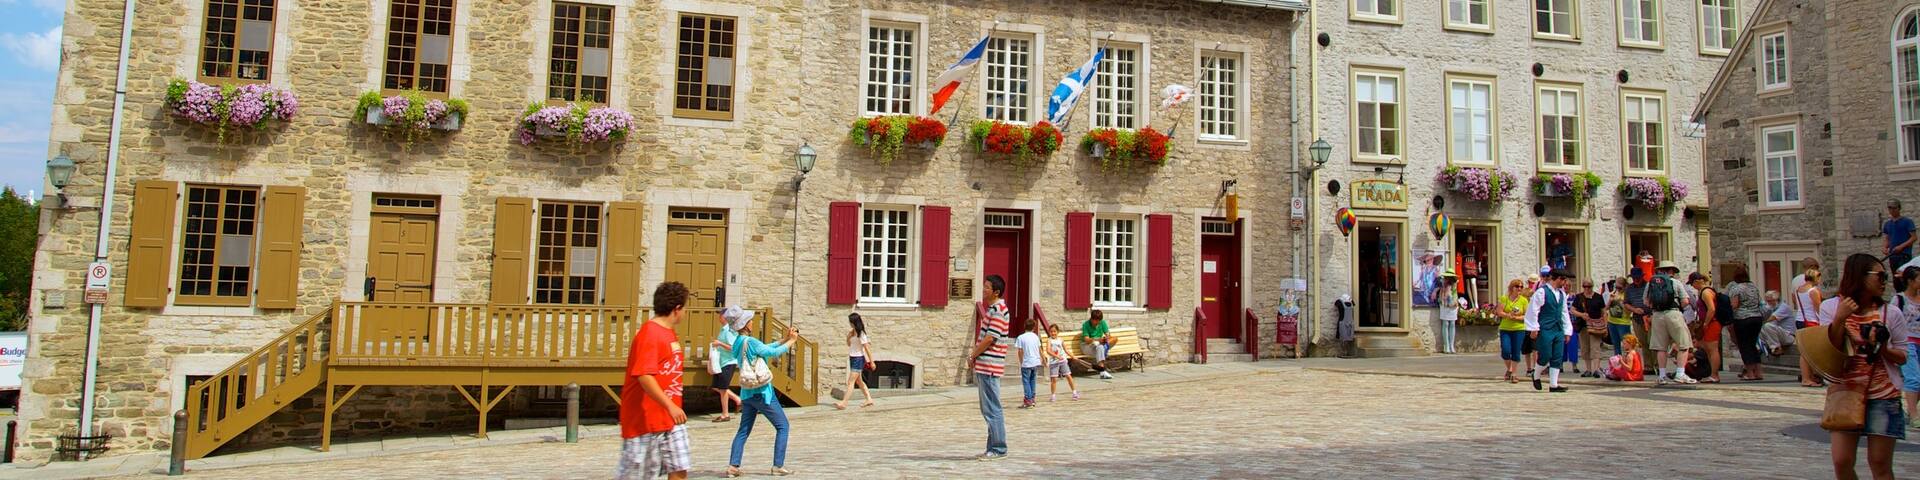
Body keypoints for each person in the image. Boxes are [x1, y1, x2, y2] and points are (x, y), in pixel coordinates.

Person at [1824, 254, 1909, 480]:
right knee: (1842, 461)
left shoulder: (1891, 312)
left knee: (1880, 464)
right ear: (1859, 276)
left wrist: (1882, 349)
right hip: (1845, 391)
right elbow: (1828, 349)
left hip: (1883, 393)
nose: (1884, 281)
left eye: (1886, 276)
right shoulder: (1831, 307)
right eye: (1879, 276)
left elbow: (1903, 356)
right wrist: (1840, 319)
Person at [617, 282, 692, 480]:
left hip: (670, 419)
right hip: (645, 419)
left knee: (679, 468)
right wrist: (670, 406)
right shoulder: (650, 334)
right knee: (639, 476)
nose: (685, 312)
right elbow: (644, 375)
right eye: (684, 307)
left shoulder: (669, 333)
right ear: (676, 309)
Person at [724, 307, 800, 477]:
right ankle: (778, 466)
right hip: (762, 392)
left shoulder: (737, 342)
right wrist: (791, 342)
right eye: (749, 320)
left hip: (747, 393)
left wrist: (784, 339)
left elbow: (764, 347)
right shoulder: (750, 341)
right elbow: (772, 352)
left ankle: (733, 466)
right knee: (783, 426)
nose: (752, 321)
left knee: (743, 430)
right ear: (745, 324)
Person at [966, 275, 1011, 460]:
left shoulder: (998, 310)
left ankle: (999, 448)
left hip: (990, 365)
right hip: (986, 365)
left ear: (996, 292)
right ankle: (991, 447)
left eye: (987, 287)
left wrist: (973, 354)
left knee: (992, 408)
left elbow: (990, 338)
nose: (983, 290)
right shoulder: (992, 309)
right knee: (989, 408)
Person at [1647, 261, 1698, 385]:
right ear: (1672, 271)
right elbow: (1685, 301)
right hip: (1673, 313)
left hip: (1657, 315)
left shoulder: (1651, 283)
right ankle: (1680, 373)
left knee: (1660, 347)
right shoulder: (1676, 283)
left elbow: (1647, 302)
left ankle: (1662, 375)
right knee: (1684, 344)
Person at [1526, 269, 1575, 392]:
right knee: (1546, 354)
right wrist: (1533, 328)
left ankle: (1554, 384)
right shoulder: (1542, 292)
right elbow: (1533, 310)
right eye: (1563, 279)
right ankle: (1536, 374)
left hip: (1558, 328)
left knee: (1557, 356)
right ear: (1556, 278)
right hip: (1545, 328)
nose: (1564, 283)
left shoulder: (1562, 294)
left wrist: (1567, 331)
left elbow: (1564, 313)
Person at [1724, 266, 1768, 381]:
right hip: (1757, 318)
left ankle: (1750, 373)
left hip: (1743, 319)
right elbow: (1759, 302)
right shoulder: (1753, 287)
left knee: (1744, 345)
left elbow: (1734, 305)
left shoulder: (1736, 288)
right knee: (1753, 344)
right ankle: (1759, 372)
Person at [1893, 258, 1920, 430]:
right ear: (1910, 280)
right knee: (1914, 378)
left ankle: (1908, 410)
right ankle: (1914, 414)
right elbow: (1891, 319)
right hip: (1907, 341)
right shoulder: (1899, 299)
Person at [1689, 272, 1727, 383]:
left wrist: (1705, 323)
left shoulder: (1706, 292)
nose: (1692, 286)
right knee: (1708, 349)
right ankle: (1712, 373)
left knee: (1712, 349)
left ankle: (1715, 375)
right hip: (1709, 323)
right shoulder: (1705, 291)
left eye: (1692, 284)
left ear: (1697, 282)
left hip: (1712, 323)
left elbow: (1712, 309)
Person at [832, 313, 875, 411]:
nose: (849, 323)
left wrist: (871, 361)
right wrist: (848, 337)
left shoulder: (861, 334)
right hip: (852, 357)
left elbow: (867, 348)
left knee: (850, 381)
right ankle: (869, 399)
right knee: (859, 381)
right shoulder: (852, 332)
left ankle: (844, 402)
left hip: (858, 359)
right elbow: (849, 344)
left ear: (854, 322)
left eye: (850, 322)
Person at [708, 309, 743, 423]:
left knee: (723, 389)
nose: (719, 317)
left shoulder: (728, 330)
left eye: (720, 315)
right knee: (716, 386)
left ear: (725, 317)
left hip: (728, 362)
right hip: (721, 362)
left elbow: (733, 348)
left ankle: (725, 414)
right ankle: (737, 399)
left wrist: (719, 343)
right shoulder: (723, 330)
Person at [1798, 268, 1829, 387]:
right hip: (1811, 321)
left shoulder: (1798, 290)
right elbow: (1818, 308)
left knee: (1804, 350)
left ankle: (1809, 376)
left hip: (1800, 319)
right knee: (1808, 352)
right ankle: (1806, 378)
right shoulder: (1813, 291)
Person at [1496, 279, 1531, 383]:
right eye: (1517, 286)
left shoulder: (1523, 300)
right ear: (1512, 287)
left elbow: (1527, 315)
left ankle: (1514, 373)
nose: (1519, 289)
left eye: (1521, 287)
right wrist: (1508, 315)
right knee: (1506, 351)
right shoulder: (1504, 298)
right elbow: (1499, 312)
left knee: (1516, 351)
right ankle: (1509, 369)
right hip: (1505, 328)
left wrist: (1517, 318)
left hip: (1519, 328)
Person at [1572, 279, 1609, 377]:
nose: (1587, 289)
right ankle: (1588, 369)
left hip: (1596, 326)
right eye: (1585, 286)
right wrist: (1581, 315)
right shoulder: (1579, 297)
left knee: (1595, 347)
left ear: (1592, 286)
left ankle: (1595, 369)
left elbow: (1604, 311)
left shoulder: (1598, 297)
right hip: (1583, 326)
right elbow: (1572, 310)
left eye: (1589, 286)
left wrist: (1605, 325)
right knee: (1585, 348)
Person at [1043, 323, 1080, 402]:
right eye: (1051, 331)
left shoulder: (1061, 340)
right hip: (1054, 362)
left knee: (1068, 376)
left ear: (1058, 332)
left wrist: (1073, 357)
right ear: (1049, 332)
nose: (1053, 333)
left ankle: (1074, 392)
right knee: (1054, 379)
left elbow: (1066, 350)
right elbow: (1048, 351)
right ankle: (1053, 395)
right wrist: (1056, 356)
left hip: (1063, 361)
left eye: (1054, 331)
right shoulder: (1049, 340)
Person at [1015, 321, 1043, 409]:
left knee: (1026, 382)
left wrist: (1021, 361)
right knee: (1033, 381)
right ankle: (1032, 398)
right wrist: (1043, 359)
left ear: (1024, 326)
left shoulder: (1021, 337)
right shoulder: (1036, 337)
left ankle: (1028, 399)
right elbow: (1039, 349)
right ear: (1034, 327)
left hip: (1026, 362)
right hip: (1035, 361)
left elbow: (1020, 351)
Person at [1081, 310, 1116, 379]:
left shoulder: (1102, 322)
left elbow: (1108, 334)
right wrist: (1097, 339)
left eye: (1099, 321)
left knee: (1114, 339)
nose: (1097, 323)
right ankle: (1102, 371)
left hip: (1098, 344)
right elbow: (1087, 340)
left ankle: (1102, 372)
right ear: (1092, 319)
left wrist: (1106, 338)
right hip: (1087, 346)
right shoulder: (1086, 324)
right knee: (1100, 347)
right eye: (1096, 321)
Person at [1887, 199, 1917, 272]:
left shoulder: (1907, 222)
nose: (1892, 210)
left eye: (1894, 208)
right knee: (1895, 278)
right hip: (1892, 256)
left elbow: (1914, 238)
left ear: (1899, 208)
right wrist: (1884, 247)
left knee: (1903, 277)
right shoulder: (1887, 224)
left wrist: (1901, 247)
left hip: (1904, 255)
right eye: (1890, 208)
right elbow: (1887, 238)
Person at [1436, 269, 1461, 354]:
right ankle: (1446, 345)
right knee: (1445, 323)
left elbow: (1454, 294)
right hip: (1444, 304)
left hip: (1453, 304)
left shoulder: (1454, 284)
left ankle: (1451, 345)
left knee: (1452, 324)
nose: (1448, 279)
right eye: (1447, 277)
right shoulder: (1443, 284)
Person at [1606, 288, 1633, 356]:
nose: (1618, 289)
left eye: (1620, 288)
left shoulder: (1627, 295)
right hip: (1612, 322)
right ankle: (1618, 362)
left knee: (1627, 344)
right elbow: (1606, 308)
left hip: (1623, 323)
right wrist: (1610, 300)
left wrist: (1621, 303)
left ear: (1624, 287)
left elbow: (1628, 312)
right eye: (1616, 287)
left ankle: (1629, 361)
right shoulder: (1613, 293)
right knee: (1615, 344)